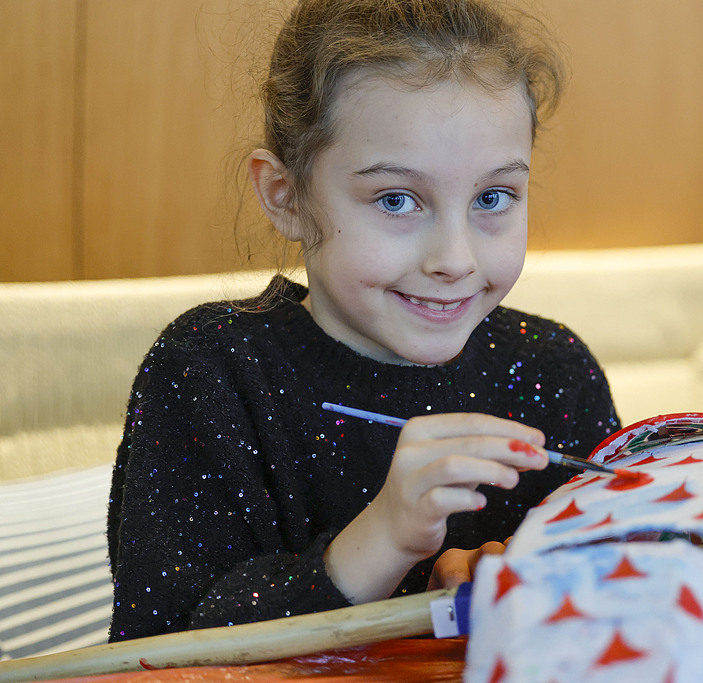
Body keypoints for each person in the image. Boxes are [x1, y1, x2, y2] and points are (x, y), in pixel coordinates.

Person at [107, 0, 619, 642]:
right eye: (398, 199)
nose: (455, 261)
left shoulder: (554, 366)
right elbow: (158, 648)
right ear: (285, 196)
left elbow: (620, 607)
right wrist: (383, 540)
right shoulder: (212, 370)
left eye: (493, 197)